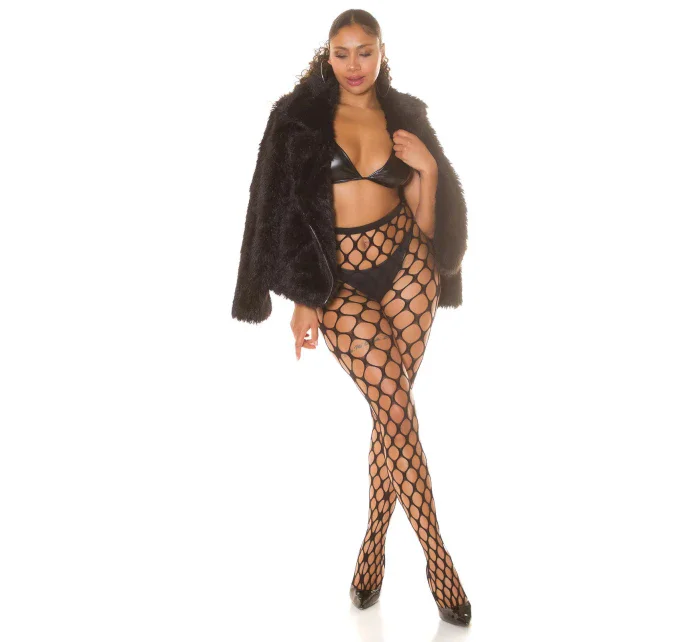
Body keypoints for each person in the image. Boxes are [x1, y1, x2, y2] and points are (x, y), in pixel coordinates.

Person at [231, 10, 470, 627]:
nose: (354, 65)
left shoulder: (404, 115)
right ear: (328, 54)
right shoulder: (297, 119)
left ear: (382, 52)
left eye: (365, 51)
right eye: (342, 53)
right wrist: (303, 294)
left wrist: (429, 170)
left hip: (408, 266)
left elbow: (425, 222)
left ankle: (373, 547)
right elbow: (278, 207)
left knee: (393, 408)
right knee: (394, 406)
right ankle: (437, 558)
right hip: (338, 281)